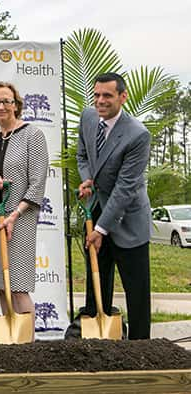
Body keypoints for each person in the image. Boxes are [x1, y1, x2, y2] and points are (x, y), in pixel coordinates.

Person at [76, 72, 152, 340]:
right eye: (96, 95)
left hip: (128, 219)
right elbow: (83, 154)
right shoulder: (87, 117)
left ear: (123, 96)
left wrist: (101, 228)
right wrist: (87, 177)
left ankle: (142, 349)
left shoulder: (137, 135)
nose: (100, 101)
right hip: (95, 207)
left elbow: (125, 188)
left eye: (107, 95)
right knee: (97, 280)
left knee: (137, 290)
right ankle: (99, 342)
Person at [0, 81, 49, 341]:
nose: (1, 106)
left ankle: (27, 344)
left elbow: (37, 182)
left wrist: (16, 213)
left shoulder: (32, 135)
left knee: (18, 286)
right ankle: (9, 343)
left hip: (20, 218)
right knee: (1, 287)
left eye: (7, 101)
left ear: (16, 105)